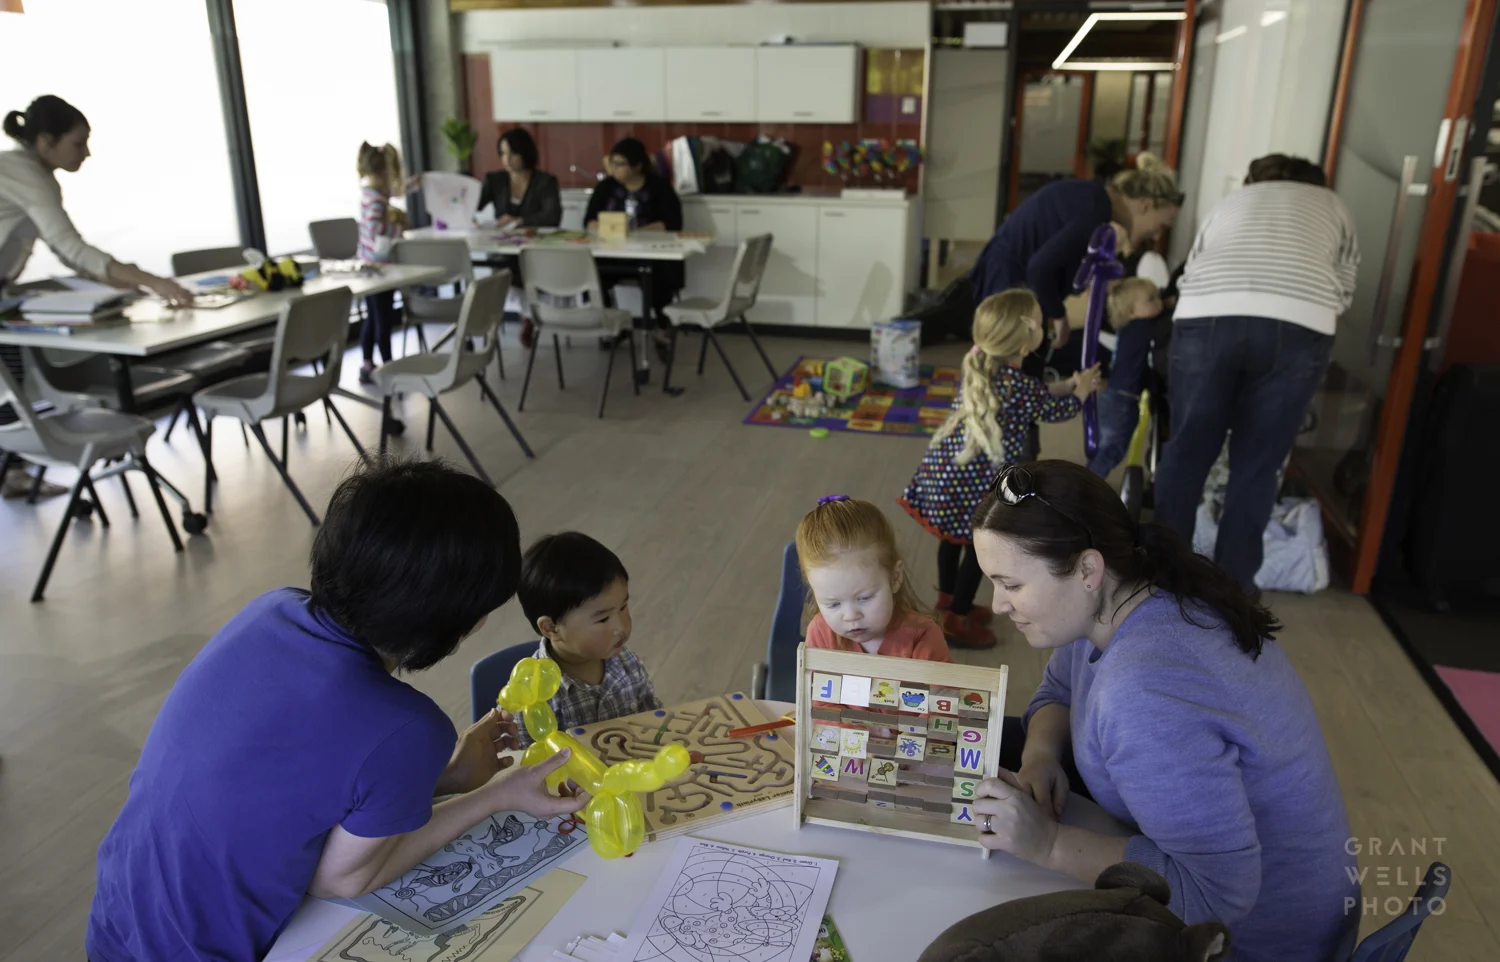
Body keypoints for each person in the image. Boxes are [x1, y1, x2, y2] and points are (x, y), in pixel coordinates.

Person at [86, 459, 585, 962]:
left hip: (115, 920)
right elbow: (340, 878)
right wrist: (495, 795)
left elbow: (290, 788)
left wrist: (442, 780)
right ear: (458, 621)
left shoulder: (268, 609)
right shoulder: (409, 728)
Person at [964, 460, 1358, 962]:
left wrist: (1049, 844)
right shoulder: (1134, 587)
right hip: (1293, 903)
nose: (997, 605)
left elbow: (1215, 897)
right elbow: (1062, 685)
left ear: (1087, 570)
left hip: (1259, 942)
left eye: (1011, 584)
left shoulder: (1143, 690)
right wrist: (1041, 756)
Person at [1153, 154, 1358, 591]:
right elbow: (1343, 290)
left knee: (1188, 450)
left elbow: (1193, 265)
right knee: (1258, 464)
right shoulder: (1334, 206)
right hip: (1298, 321)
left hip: (1208, 314)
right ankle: (1233, 589)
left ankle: (1164, 577)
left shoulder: (1231, 202)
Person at [2, 95, 193, 498]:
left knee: (10, 381)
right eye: (78, 142)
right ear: (46, 140)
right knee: (9, 387)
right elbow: (72, 247)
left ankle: (12, 474)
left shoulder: (34, 174)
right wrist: (153, 280)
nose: (86, 152)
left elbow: (65, 253)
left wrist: (117, 279)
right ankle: (12, 472)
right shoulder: (22, 172)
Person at [898, 291, 1101, 649]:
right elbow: (1054, 409)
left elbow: (1038, 394)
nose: (1044, 326)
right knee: (978, 549)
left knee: (951, 541)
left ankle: (946, 602)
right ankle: (957, 617)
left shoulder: (984, 364)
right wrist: (1081, 392)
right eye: (1039, 322)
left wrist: (1070, 385)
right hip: (973, 482)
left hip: (948, 472)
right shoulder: (1017, 385)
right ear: (1024, 345)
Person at [969, 154, 1182, 379]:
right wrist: (1060, 317)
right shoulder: (1094, 210)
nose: (1157, 236)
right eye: (1161, 226)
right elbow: (1039, 269)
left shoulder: (1094, 200)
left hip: (1008, 274)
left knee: (1021, 373)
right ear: (1146, 206)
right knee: (1011, 373)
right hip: (1007, 276)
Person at [515, 531, 661, 746]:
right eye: (603, 619)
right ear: (551, 628)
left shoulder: (628, 662)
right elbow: (524, 760)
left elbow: (653, 720)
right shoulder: (533, 696)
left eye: (623, 607)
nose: (621, 627)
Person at [796, 494, 951, 662]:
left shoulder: (922, 637)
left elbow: (941, 681)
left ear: (895, 577)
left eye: (864, 598)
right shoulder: (820, 634)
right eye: (833, 604)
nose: (851, 616)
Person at [585, 137, 684, 361]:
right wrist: (606, 228)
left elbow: (672, 223)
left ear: (637, 165)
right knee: (594, 272)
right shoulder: (606, 187)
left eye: (619, 164)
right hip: (614, 253)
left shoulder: (659, 187)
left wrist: (636, 231)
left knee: (658, 274)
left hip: (650, 253)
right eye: (612, 163)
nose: (614, 169)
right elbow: (589, 220)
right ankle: (614, 325)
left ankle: (662, 326)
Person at [355, 141, 407, 384]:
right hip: (379, 268)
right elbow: (376, 228)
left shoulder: (370, 194)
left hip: (368, 264)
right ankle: (388, 365)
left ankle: (367, 363)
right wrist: (396, 229)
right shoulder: (377, 200)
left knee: (372, 317)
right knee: (382, 319)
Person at [478, 128, 561, 230]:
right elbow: (472, 206)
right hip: (501, 237)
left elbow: (552, 217)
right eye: (503, 153)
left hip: (535, 237)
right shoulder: (494, 180)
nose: (507, 159)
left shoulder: (545, 182)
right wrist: (469, 219)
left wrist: (519, 221)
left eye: (513, 153)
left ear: (525, 153)